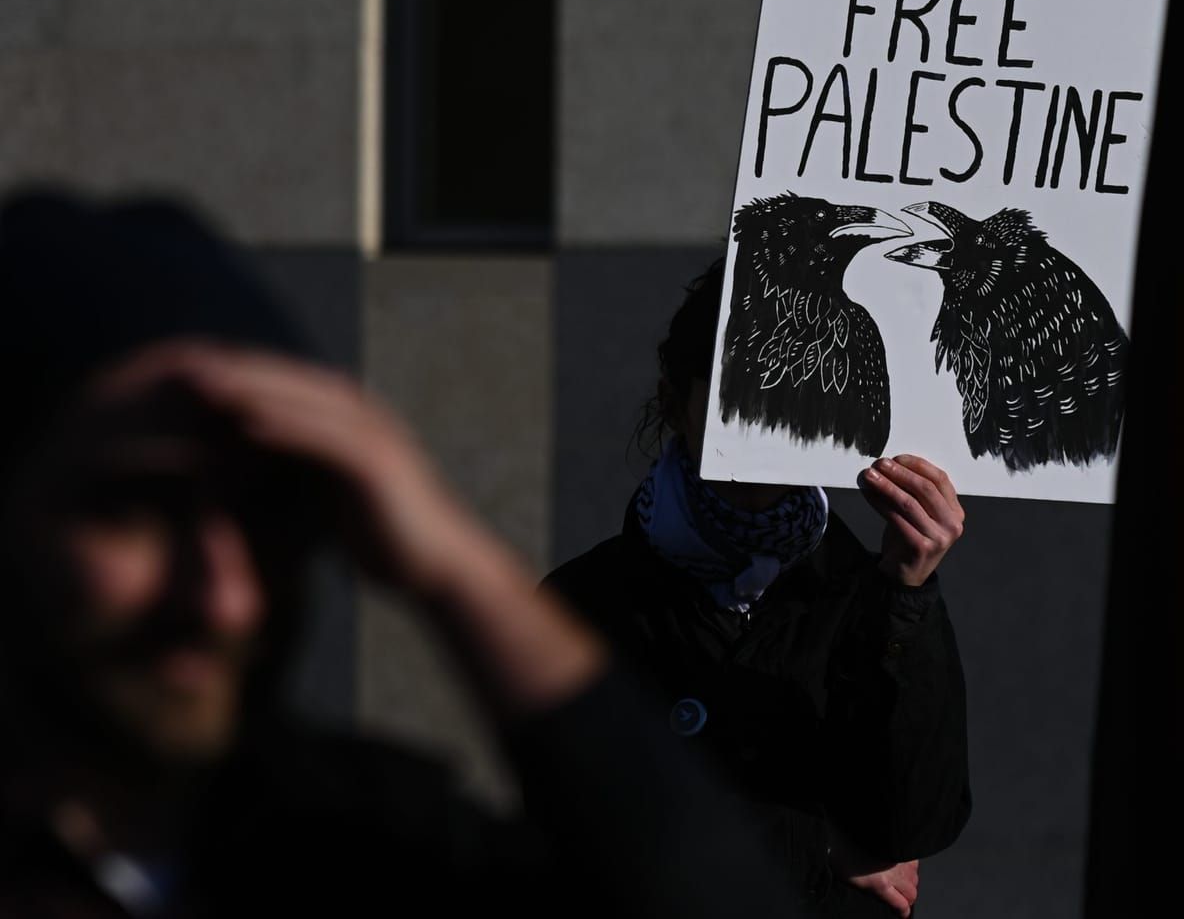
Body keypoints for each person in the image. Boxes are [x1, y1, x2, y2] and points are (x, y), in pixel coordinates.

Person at [0, 189, 795, 918]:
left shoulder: (354, 841)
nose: (224, 597)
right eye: (135, 510)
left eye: (268, 510)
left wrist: (455, 562)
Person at [545, 259, 973, 918]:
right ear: (673, 402)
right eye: (733, 394)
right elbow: (575, 834)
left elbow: (915, 821)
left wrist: (907, 589)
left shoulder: (871, 590)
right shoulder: (580, 603)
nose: (764, 425)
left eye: (792, 393)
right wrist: (817, 840)